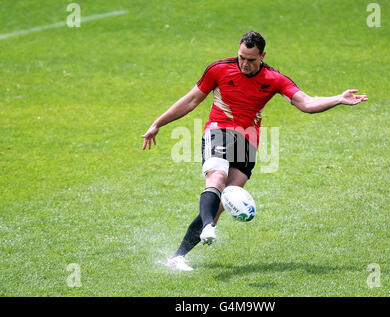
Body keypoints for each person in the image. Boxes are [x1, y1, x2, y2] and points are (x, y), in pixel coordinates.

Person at [141, 31, 368, 271]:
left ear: (262, 56)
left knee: (224, 201)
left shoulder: (274, 78)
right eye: (241, 57)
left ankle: (178, 256)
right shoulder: (218, 69)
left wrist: (338, 99)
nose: (244, 64)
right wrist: (158, 123)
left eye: (251, 59)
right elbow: (191, 100)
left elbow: (307, 104)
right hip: (219, 130)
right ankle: (207, 226)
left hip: (248, 141)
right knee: (216, 178)